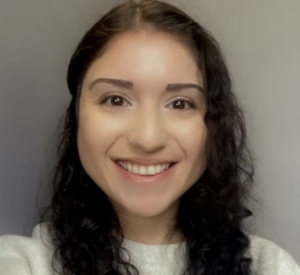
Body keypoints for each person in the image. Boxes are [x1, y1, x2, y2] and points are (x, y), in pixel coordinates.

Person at [0, 0, 300, 274]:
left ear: (212, 125)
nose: (147, 138)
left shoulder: (268, 267)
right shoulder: (23, 263)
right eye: (115, 100)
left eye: (180, 103)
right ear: (76, 118)